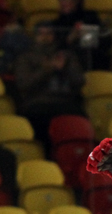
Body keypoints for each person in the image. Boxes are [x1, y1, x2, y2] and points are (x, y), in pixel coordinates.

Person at [13, 21, 85, 149]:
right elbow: (24, 84)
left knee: (80, 121)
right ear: (35, 36)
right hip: (38, 103)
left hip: (65, 102)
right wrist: (48, 69)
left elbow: (79, 81)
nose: (45, 37)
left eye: (49, 33)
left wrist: (64, 69)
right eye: (41, 34)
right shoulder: (25, 58)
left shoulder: (66, 56)